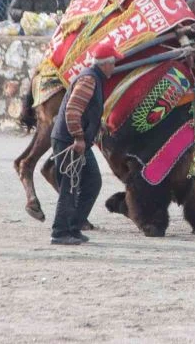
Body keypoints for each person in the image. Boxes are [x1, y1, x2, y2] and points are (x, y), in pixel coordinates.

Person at [50, 44, 123, 245]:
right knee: (70, 186)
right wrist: (79, 138)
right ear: (106, 64)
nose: (114, 65)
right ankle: (60, 232)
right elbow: (73, 110)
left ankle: (74, 227)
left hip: (74, 140)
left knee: (91, 182)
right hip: (70, 142)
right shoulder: (90, 80)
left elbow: (84, 110)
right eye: (113, 62)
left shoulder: (94, 78)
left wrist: (98, 125)